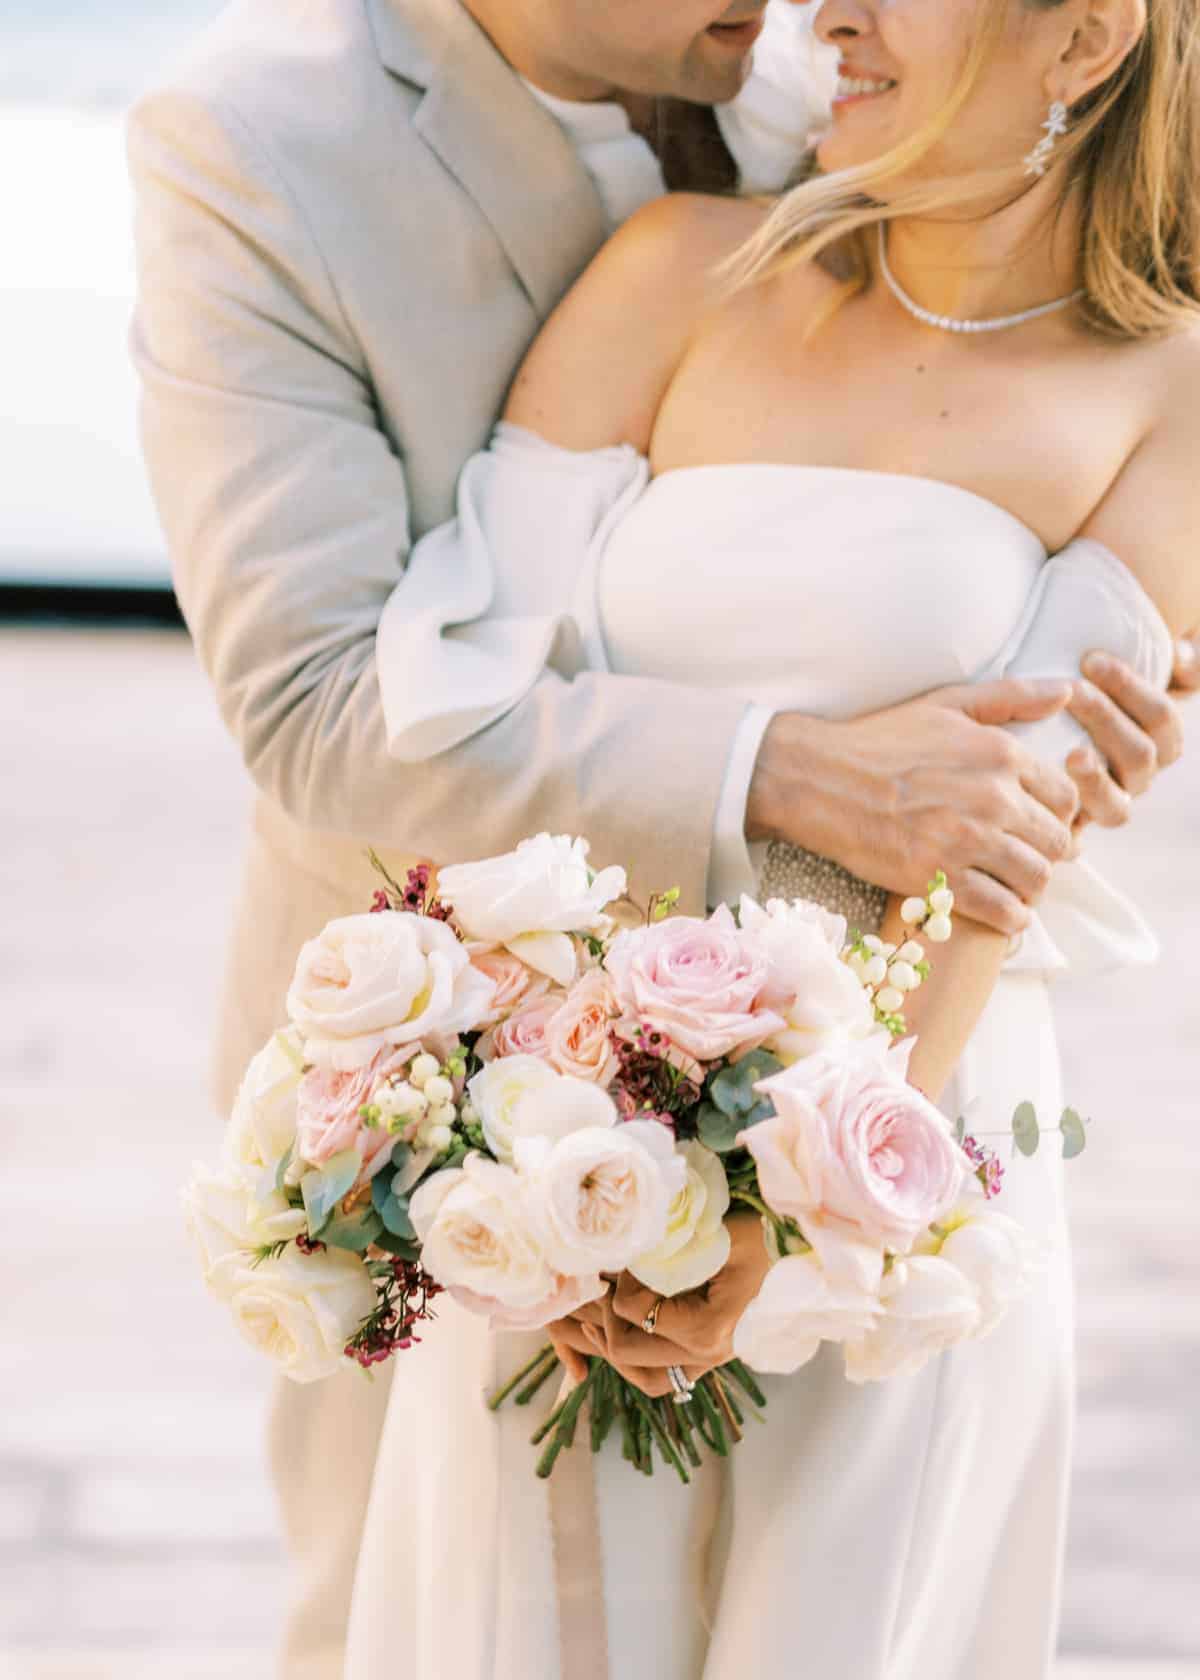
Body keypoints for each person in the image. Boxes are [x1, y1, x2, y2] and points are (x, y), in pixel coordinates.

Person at [123, 0, 1197, 1675]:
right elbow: (407, 696)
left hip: (899, 1130)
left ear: (1087, 39)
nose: (815, 9)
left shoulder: (1165, 376)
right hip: (558, 1124)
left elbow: (1010, 837)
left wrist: (827, 1200)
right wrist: (553, 1123)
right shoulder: (676, 259)